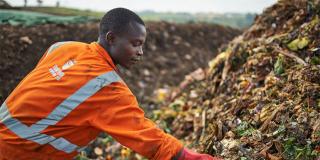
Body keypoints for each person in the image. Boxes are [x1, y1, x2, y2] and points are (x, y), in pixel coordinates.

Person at [0, 8, 222, 160]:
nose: (140, 52)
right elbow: (150, 140)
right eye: (135, 44)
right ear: (111, 38)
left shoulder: (62, 48)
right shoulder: (106, 88)